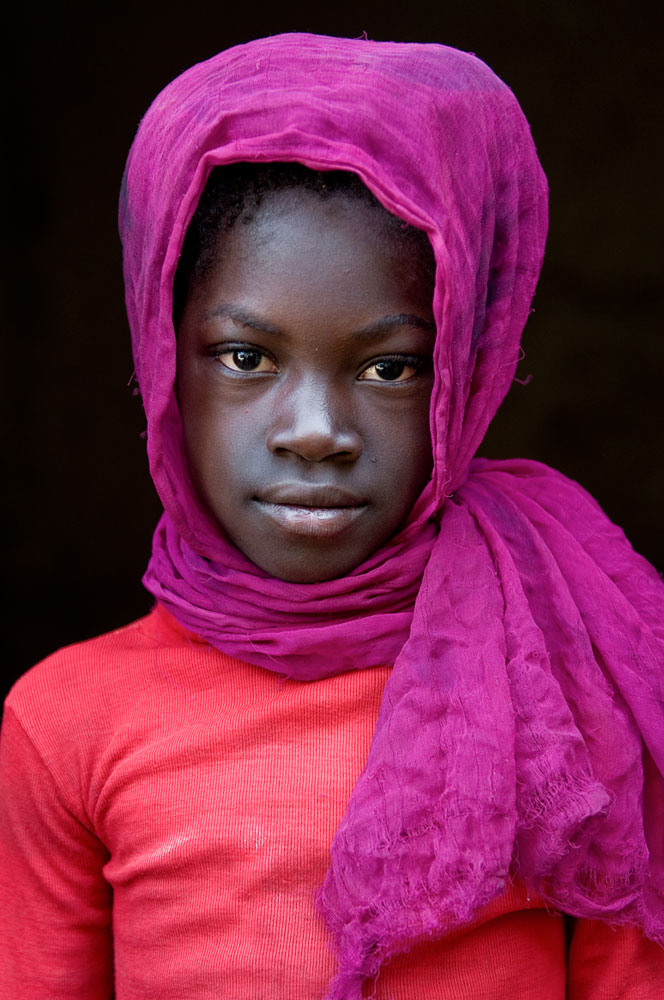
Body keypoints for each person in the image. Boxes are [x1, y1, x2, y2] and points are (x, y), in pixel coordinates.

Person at [1, 32, 663, 1000]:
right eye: (244, 357)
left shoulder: (569, 678)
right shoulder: (65, 721)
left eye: (389, 367)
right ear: (161, 358)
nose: (315, 432)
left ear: (467, 373)